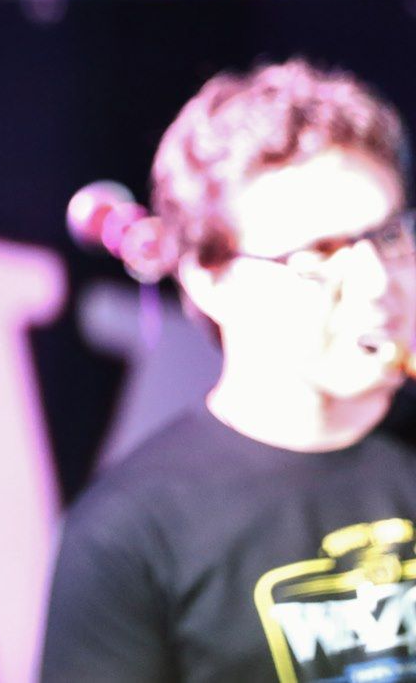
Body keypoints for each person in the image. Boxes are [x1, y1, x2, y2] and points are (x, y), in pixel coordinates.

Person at [42, 59, 416, 683]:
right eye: (317, 254)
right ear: (210, 281)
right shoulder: (127, 536)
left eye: (389, 238)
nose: (377, 285)